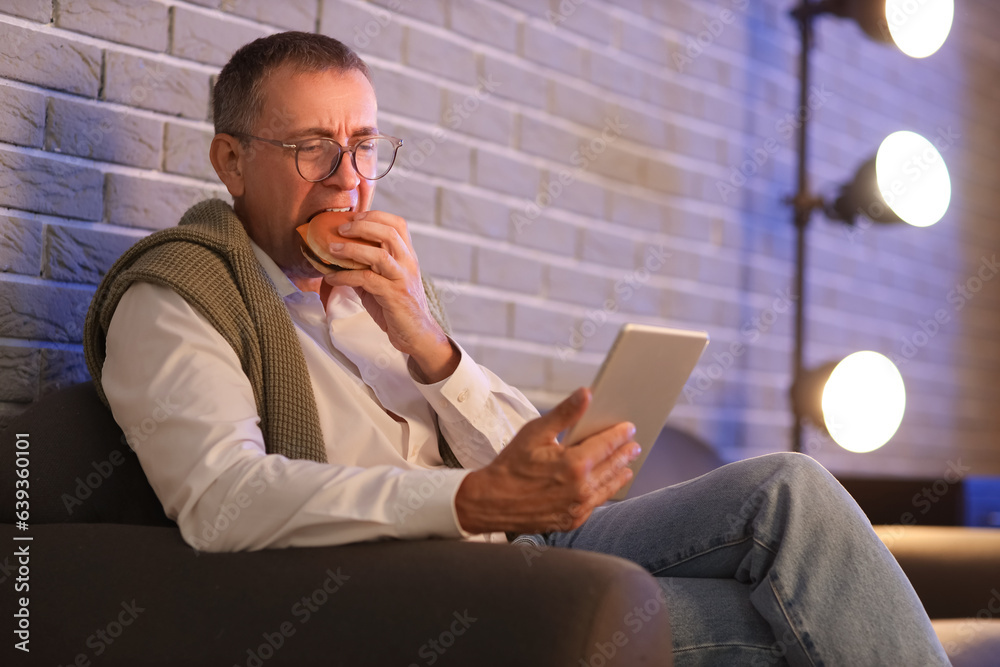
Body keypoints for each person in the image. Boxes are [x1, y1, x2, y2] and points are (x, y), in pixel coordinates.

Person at [82, 31, 949, 666]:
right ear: (230, 161)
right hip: (431, 582)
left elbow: (519, 469)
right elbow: (224, 499)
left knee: (790, 491)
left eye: (364, 146)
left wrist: (429, 342)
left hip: (526, 541)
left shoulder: (378, 292)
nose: (346, 175)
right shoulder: (180, 296)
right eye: (311, 146)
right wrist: (469, 501)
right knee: (782, 624)